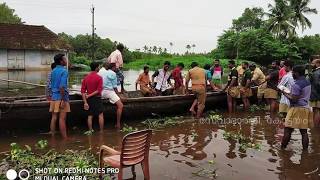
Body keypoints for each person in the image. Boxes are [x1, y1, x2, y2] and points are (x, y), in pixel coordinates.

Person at [281, 65, 313, 150]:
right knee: (304, 132)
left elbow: (294, 99)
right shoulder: (307, 82)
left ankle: (282, 150)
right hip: (306, 108)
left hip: (296, 109)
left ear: (297, 73)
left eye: (293, 73)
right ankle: (305, 152)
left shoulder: (297, 84)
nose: (292, 75)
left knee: (287, 130)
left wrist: (285, 93)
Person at [49, 54, 70, 138]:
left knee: (54, 118)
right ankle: (65, 138)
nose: (66, 60)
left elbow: (51, 85)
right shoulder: (64, 71)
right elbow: (62, 86)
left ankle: (53, 137)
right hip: (61, 97)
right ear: (61, 61)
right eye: (65, 59)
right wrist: (62, 100)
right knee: (62, 119)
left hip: (54, 97)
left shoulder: (53, 71)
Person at [81, 62, 104, 132]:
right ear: (96, 68)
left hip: (89, 100)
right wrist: (89, 95)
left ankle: (90, 130)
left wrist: (85, 102)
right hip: (97, 98)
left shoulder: (86, 78)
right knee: (100, 115)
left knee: (90, 115)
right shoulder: (99, 78)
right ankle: (101, 131)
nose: (99, 68)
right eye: (99, 67)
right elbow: (99, 90)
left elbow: (82, 91)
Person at [100, 63, 123, 129]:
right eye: (116, 67)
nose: (116, 68)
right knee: (120, 105)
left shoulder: (103, 72)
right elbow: (115, 88)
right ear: (113, 67)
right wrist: (119, 96)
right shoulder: (113, 73)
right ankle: (118, 124)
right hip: (108, 92)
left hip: (101, 92)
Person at [309, 59, 320, 127]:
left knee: (316, 111)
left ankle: (315, 128)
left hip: (316, 95)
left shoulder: (316, 72)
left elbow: (317, 84)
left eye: (313, 63)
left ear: (318, 64)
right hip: (317, 94)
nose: (311, 65)